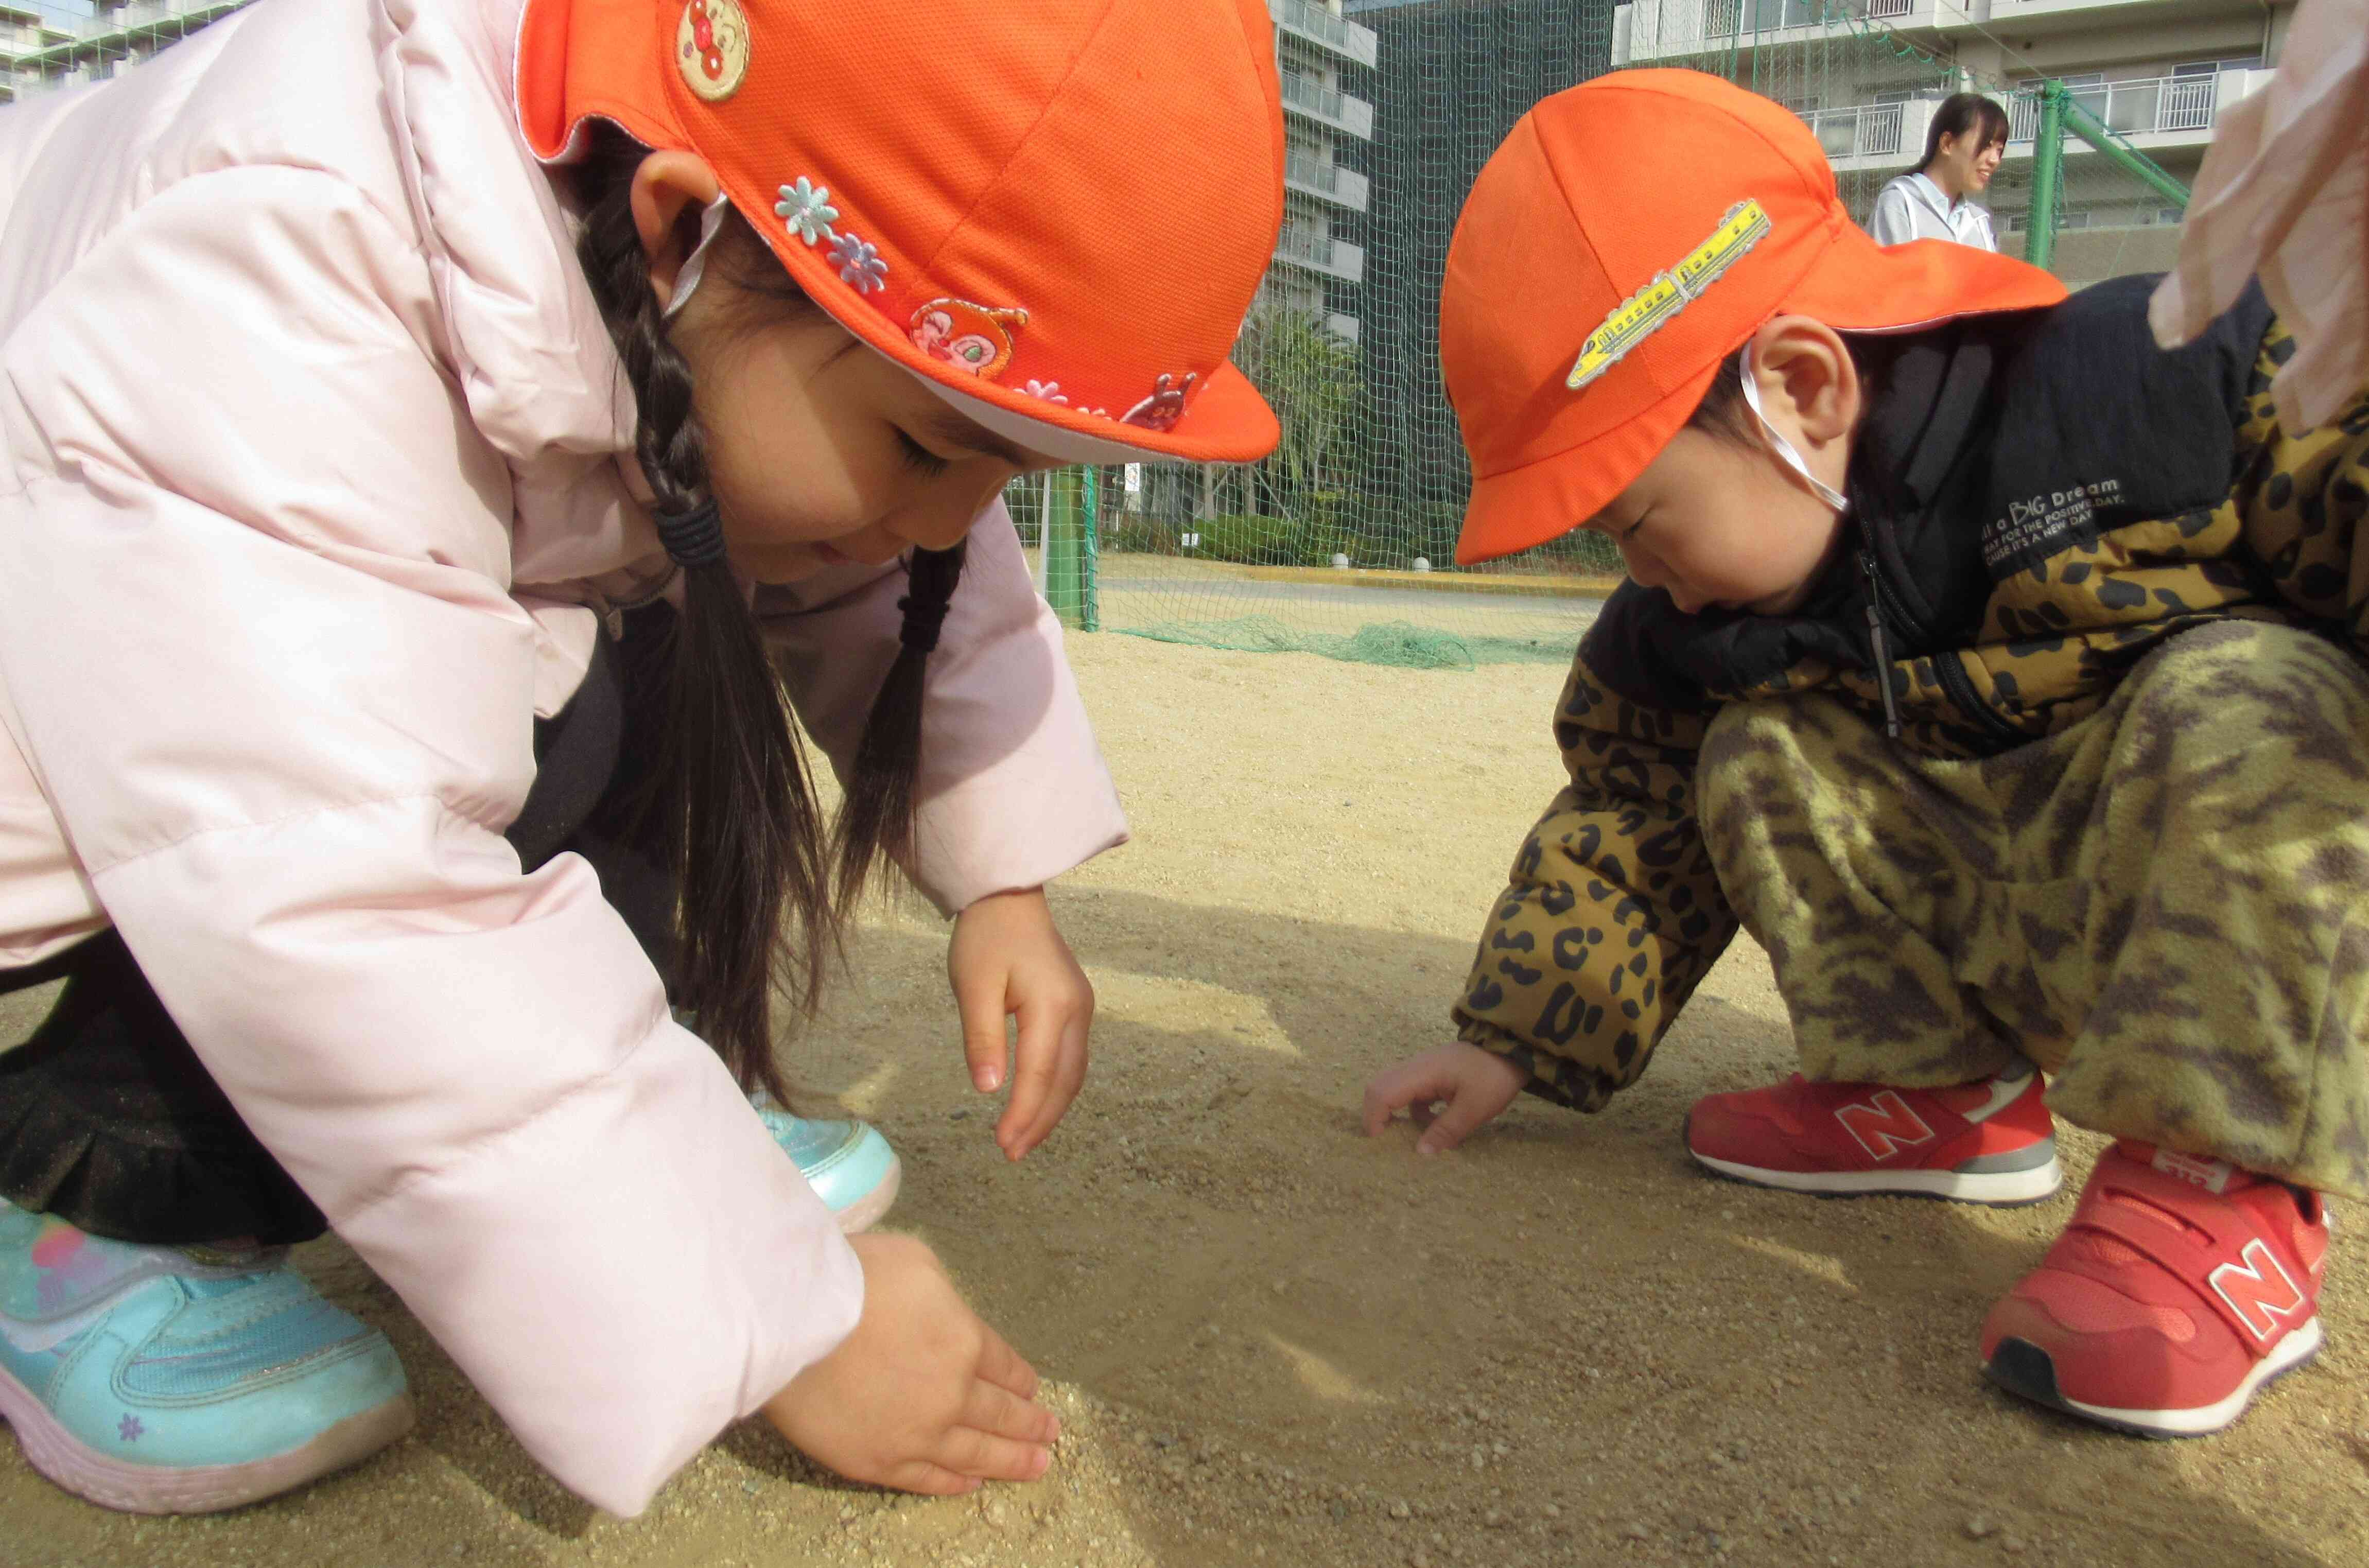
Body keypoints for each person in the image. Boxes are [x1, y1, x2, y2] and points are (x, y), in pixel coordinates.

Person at [0, 0, 1283, 1520]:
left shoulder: (669, 247)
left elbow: (882, 547)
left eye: (1007, 467)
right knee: (454, 711)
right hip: (131, 712)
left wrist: (1000, 874)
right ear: (680, 222)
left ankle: (641, 1093)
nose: (949, 521)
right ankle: (79, 1204)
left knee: (668, 580)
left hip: (199, 703)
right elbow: (328, 865)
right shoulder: (284, 259)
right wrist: (771, 1308)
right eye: (937, 449)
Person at [1366, 69, 2360, 1439]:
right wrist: (1515, 1042)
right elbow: (1632, 807)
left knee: (2247, 689)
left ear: (1799, 384)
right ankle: (1937, 1091)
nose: (1648, 575)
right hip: (2038, 911)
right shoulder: (1694, 625)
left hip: (2258, 920)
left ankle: (2220, 1189)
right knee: (1750, 742)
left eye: (1642, 518)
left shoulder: (2153, 387)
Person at [1867, 91, 2007, 250]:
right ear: (1947, 143)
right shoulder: (1900, 203)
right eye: (1986, 146)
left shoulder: (1980, 223)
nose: (1994, 160)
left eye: (1999, 150)